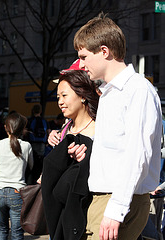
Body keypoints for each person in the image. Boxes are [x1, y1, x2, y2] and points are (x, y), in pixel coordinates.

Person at [67, 13, 162, 240]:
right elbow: (119, 150)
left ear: (104, 51)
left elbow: (137, 153)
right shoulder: (111, 93)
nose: (80, 64)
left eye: (83, 56)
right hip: (110, 198)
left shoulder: (136, 90)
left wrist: (117, 207)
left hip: (118, 200)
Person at [42, 68, 99, 239]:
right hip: (61, 212)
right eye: (58, 97)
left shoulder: (101, 128)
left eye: (64, 96)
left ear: (82, 95)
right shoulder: (65, 129)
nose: (60, 102)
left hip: (89, 211)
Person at [0, 112, 33, 240]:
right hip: (17, 191)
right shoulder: (26, 146)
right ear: (22, 129)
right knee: (17, 233)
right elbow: (31, 167)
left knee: (2, 230)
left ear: (6, 127)